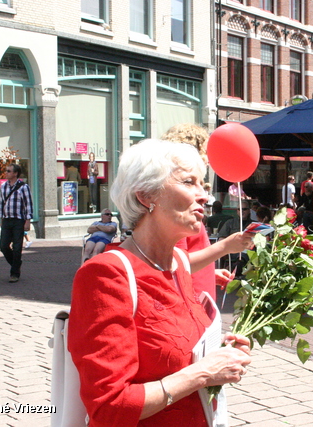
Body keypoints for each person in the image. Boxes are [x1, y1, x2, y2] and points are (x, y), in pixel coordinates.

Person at [69, 139, 252, 426]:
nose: (204, 196)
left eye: (203, 185)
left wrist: (220, 352)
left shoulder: (177, 263)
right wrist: (202, 373)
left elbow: (174, 347)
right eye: (189, 182)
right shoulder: (105, 275)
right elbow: (109, 407)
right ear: (145, 196)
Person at [162, 123, 253, 300]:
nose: (203, 195)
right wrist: (225, 247)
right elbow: (173, 263)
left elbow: (184, 262)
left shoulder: (183, 210)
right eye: (189, 182)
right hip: (188, 305)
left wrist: (209, 272)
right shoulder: (177, 212)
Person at [0, 163, 33, 283]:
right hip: (7, 220)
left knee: (17, 247)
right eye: (6, 171)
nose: (6, 173)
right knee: (3, 246)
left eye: (8, 171)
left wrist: (27, 221)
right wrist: (1, 219)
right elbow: (1, 203)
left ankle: (14, 273)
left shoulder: (23, 187)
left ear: (15, 173)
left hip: (19, 220)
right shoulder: (3, 186)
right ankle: (16, 263)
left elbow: (28, 204)